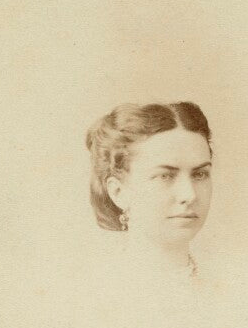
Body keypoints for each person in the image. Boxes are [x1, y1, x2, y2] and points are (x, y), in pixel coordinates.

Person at [85, 101, 213, 294]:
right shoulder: (98, 290)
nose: (190, 195)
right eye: (165, 176)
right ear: (118, 192)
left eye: (200, 174)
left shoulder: (230, 286)